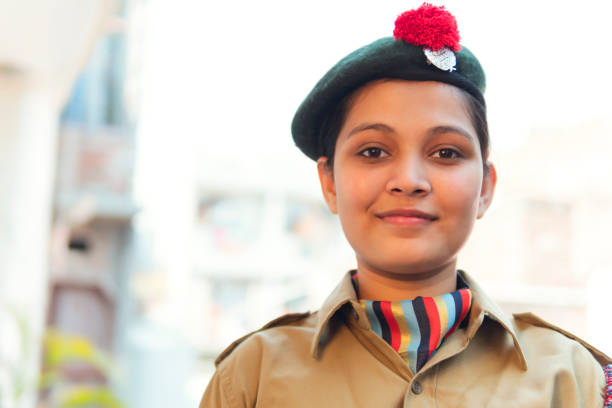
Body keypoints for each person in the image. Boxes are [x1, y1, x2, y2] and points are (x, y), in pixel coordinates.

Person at [200, 4, 612, 407]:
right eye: (374, 151)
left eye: (447, 153)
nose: (409, 181)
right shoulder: (251, 378)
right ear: (329, 183)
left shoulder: (576, 379)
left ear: (485, 187)